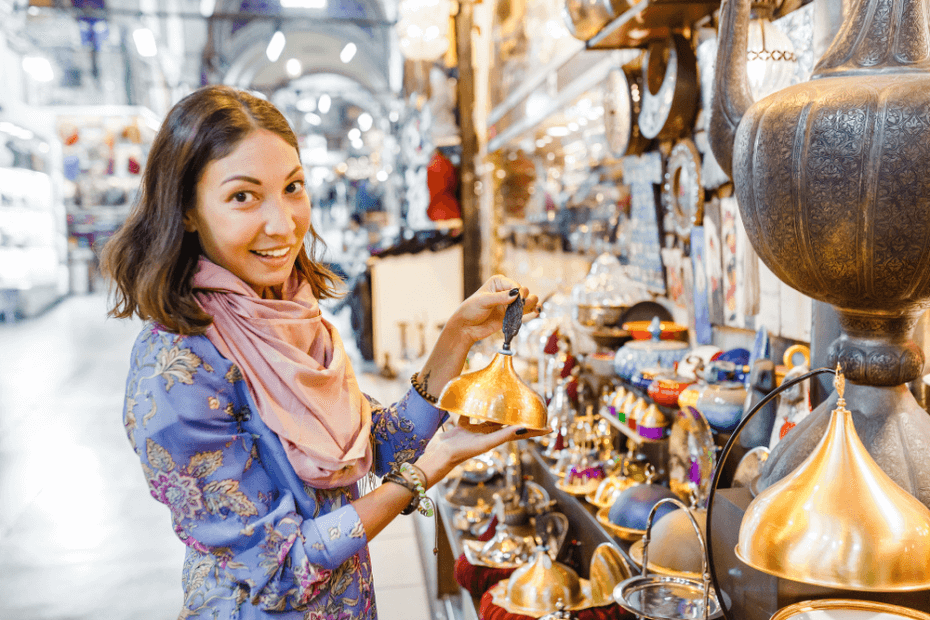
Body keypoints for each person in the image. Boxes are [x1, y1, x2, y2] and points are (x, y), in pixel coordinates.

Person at [100, 85, 540, 619]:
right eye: (243, 196)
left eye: (292, 187)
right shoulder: (176, 370)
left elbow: (377, 446)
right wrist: (431, 467)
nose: (284, 225)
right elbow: (282, 568)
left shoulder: (289, 313)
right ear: (187, 209)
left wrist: (459, 336)